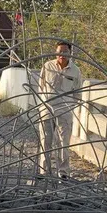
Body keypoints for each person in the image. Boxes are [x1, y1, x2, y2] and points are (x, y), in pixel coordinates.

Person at [37, 40, 83, 178]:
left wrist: (70, 106)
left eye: (65, 52)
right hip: (47, 109)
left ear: (70, 53)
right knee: (45, 141)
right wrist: (43, 104)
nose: (62, 54)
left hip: (65, 110)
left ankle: (63, 173)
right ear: (55, 53)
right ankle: (44, 171)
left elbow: (78, 93)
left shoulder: (75, 70)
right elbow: (41, 86)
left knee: (63, 143)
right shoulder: (47, 66)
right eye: (59, 52)